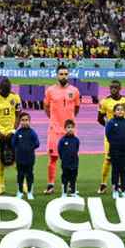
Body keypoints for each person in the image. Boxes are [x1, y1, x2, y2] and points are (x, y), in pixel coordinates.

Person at [43, 66, 82, 194]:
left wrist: (69, 121)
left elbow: (76, 108)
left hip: (69, 132)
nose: (63, 76)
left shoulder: (74, 91)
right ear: (57, 75)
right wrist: (54, 120)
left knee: (70, 158)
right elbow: (46, 107)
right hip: (54, 130)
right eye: (61, 74)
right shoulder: (50, 91)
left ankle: (70, 184)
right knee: (53, 158)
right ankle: (50, 184)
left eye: (65, 74)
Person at [96, 80, 125, 195]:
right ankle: (103, 183)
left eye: (116, 87)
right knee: (108, 159)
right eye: (111, 87)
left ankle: (121, 184)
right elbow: (100, 118)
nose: (113, 89)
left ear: (120, 88)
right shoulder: (105, 101)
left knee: (122, 160)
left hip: (123, 137)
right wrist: (110, 127)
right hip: (111, 137)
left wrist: (121, 128)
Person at [0, 79, 23, 195]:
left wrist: (13, 130)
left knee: (17, 159)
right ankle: (1, 186)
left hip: (12, 132)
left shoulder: (15, 97)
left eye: (8, 92)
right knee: (0, 159)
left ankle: (22, 184)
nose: (6, 94)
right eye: (4, 92)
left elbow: (18, 115)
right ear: (0, 89)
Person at [105, 104, 125, 199]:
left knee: (124, 171)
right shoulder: (111, 123)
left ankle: (124, 190)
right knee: (115, 170)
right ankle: (115, 190)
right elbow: (108, 135)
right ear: (114, 112)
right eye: (118, 109)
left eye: (122, 109)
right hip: (114, 150)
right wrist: (115, 145)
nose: (120, 111)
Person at [11, 113, 40, 200]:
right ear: (20, 122)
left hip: (30, 159)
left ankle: (30, 192)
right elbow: (13, 143)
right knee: (20, 175)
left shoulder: (32, 133)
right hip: (19, 158)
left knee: (29, 175)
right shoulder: (18, 133)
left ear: (29, 121)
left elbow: (37, 143)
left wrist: (29, 148)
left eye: (26, 120)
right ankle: (19, 192)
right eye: (22, 120)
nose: (24, 122)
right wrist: (19, 149)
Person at [58, 119, 81, 197]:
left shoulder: (76, 140)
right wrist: (64, 159)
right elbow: (60, 151)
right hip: (65, 164)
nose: (70, 129)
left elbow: (76, 149)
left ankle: (73, 193)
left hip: (74, 163)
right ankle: (64, 193)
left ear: (74, 128)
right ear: (65, 129)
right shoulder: (62, 140)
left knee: (73, 179)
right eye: (68, 127)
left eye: (72, 127)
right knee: (65, 179)